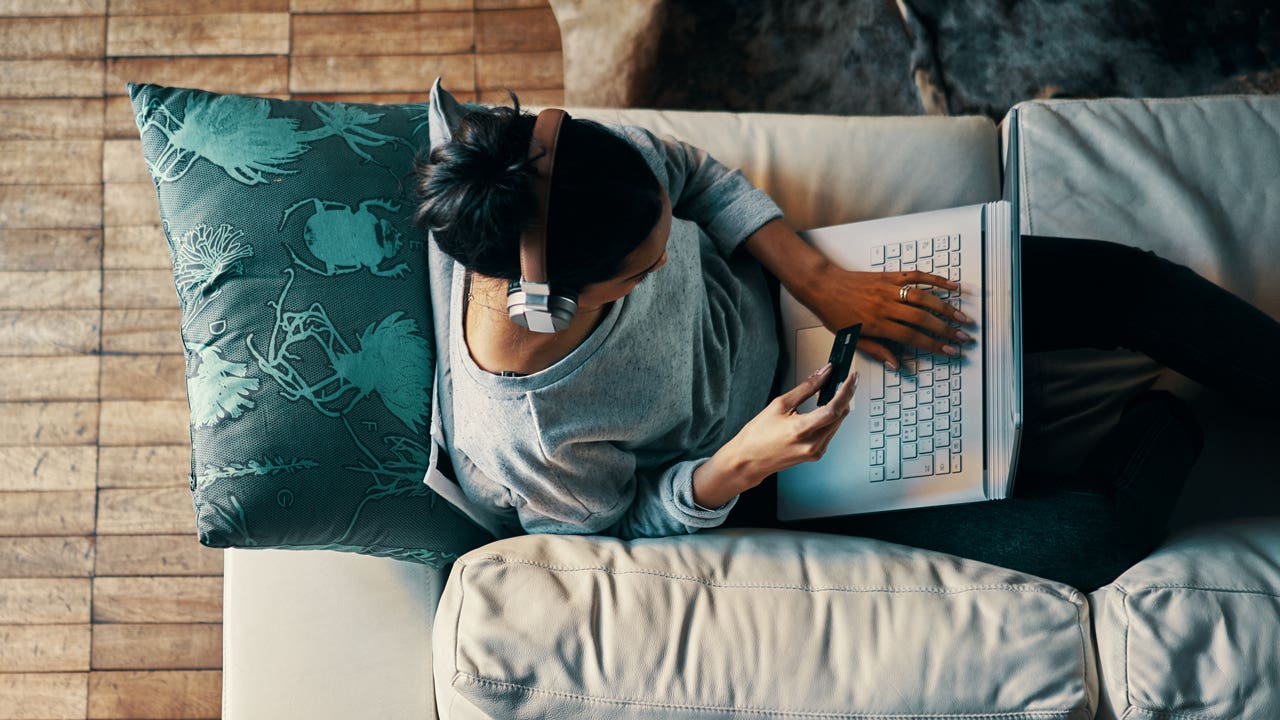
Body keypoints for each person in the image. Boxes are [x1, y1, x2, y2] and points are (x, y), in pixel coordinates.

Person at [415, 93, 1280, 590]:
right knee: (1088, 542)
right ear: (552, 304)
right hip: (784, 459)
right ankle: (1170, 415)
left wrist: (819, 279)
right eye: (640, 275)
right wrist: (740, 465)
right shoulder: (532, 437)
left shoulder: (586, 174)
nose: (667, 262)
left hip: (811, 295)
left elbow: (695, 175)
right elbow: (617, 535)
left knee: (1133, 286)